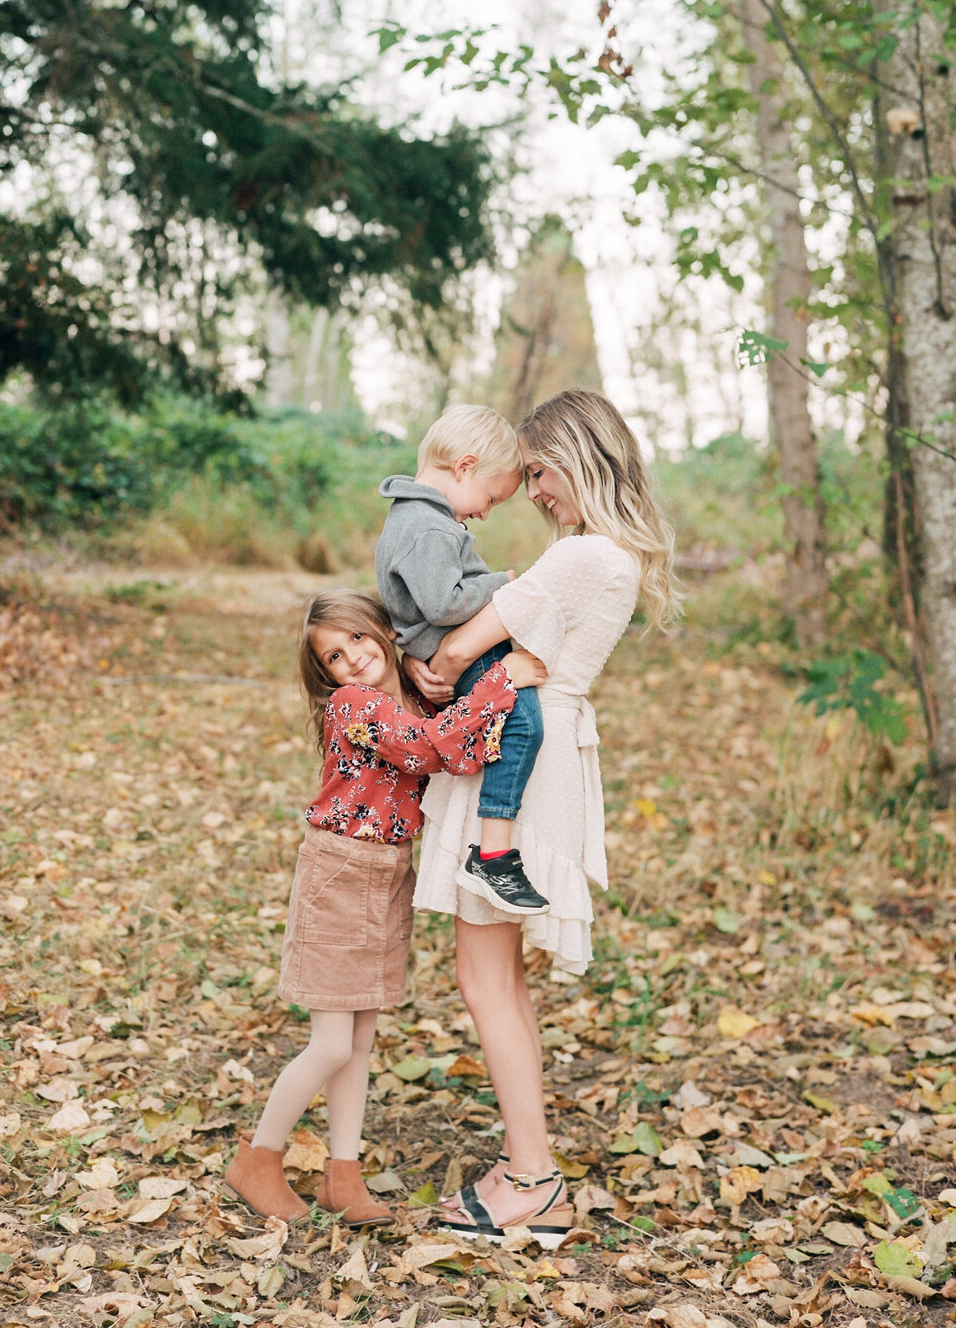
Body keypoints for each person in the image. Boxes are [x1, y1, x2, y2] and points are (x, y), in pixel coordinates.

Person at [414, 389, 678, 1246]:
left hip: (513, 765)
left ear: (577, 457)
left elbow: (457, 646)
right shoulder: (615, 555)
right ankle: (534, 1171)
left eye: (537, 471)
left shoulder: (577, 558)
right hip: (544, 755)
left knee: (483, 976)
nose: (531, 490)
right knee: (502, 974)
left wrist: (441, 665)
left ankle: (532, 1178)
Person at [224, 588, 546, 1227]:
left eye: (360, 640)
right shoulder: (353, 706)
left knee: (361, 1040)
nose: (352, 660)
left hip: (387, 873)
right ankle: (258, 1159)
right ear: (327, 675)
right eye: (334, 657)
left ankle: (343, 1177)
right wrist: (503, 677)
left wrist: (458, 681)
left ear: (385, 632)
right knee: (331, 1043)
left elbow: (456, 736)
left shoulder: (414, 700)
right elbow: (435, 751)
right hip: (340, 872)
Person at [375, 404, 550, 917]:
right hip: (465, 652)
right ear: (465, 467)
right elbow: (445, 604)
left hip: (453, 649)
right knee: (521, 727)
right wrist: (507, 583)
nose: (485, 512)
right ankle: (493, 854)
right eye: (491, 497)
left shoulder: (414, 517)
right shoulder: (429, 528)